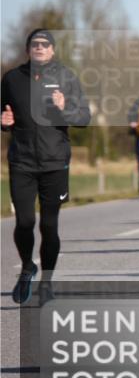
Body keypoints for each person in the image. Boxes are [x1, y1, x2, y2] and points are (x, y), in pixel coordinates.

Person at [2, 29, 91, 304]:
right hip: (22, 161)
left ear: (52, 50)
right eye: (34, 44)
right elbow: (3, 114)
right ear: (28, 49)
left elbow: (84, 118)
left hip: (55, 162)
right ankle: (28, 266)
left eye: (45, 44)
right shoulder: (12, 79)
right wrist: (3, 122)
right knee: (25, 221)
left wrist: (65, 108)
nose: (39, 48)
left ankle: (47, 281)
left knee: (49, 227)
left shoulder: (66, 78)